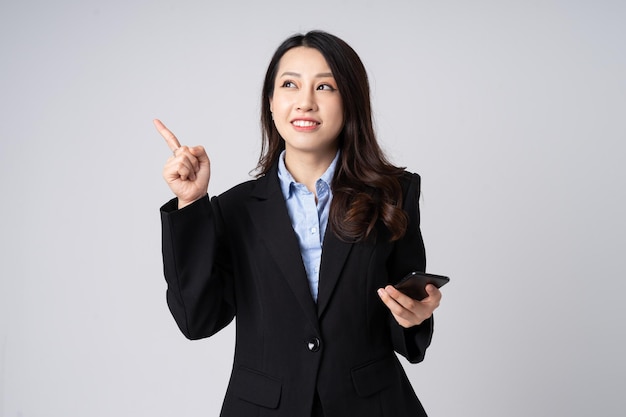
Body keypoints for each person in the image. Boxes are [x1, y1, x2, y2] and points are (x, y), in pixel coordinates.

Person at [156, 30, 442, 417]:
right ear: (271, 103)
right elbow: (197, 320)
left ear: (350, 102)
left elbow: (405, 322)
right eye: (289, 84)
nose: (305, 102)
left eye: (325, 86)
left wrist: (415, 317)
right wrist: (190, 204)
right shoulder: (236, 208)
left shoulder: (394, 194)